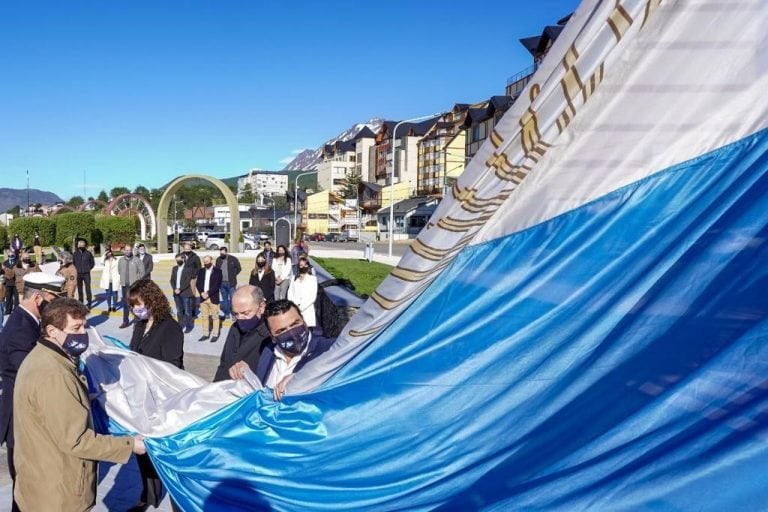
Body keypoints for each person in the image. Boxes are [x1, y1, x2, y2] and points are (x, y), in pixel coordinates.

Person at [13, 298, 145, 511]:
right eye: (76, 327)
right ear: (52, 330)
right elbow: (76, 441)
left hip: (42, 481)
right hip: (58, 494)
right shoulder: (54, 374)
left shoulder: (45, 358)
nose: (83, 333)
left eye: (85, 326)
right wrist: (130, 445)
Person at [0, 273, 66, 511]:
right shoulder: (20, 328)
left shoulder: (28, 321)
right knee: (26, 490)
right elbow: (32, 374)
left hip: (26, 417)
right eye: (53, 299)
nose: (55, 305)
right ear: (38, 298)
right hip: (21, 420)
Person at [127, 280, 183, 511]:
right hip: (141, 396)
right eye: (132, 306)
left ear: (152, 301)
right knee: (142, 448)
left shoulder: (170, 327)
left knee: (160, 450)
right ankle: (148, 494)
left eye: (139, 305)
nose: (135, 310)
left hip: (162, 397)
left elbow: (172, 366)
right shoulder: (140, 325)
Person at [231, 299, 333, 401]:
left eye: (294, 324)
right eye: (281, 330)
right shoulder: (268, 351)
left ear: (304, 321)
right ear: (273, 337)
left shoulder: (328, 349)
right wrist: (246, 374)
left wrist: (302, 376)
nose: (291, 333)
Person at [212, 285, 271, 382]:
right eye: (236, 313)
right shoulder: (234, 328)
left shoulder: (269, 337)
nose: (240, 318)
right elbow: (224, 364)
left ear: (261, 307)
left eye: (245, 313)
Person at [117, 244, 145, 328]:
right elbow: (119, 271)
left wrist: (137, 280)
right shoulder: (121, 260)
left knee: (135, 304)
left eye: (129, 250)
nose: (128, 252)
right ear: (124, 250)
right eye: (126, 250)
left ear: (131, 250)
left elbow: (142, 272)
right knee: (125, 304)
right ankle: (125, 321)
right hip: (124, 285)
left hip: (134, 286)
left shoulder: (137, 260)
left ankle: (137, 320)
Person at [287, 255, 318, 329]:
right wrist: (294, 306)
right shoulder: (294, 278)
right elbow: (290, 293)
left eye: (305, 265)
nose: (303, 266)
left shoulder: (312, 279)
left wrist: (301, 308)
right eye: (301, 265)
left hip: (307, 310)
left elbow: (312, 296)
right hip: (294, 310)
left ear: (308, 266)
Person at [196, 255, 223, 342]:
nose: (205, 263)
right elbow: (198, 283)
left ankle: (215, 334)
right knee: (204, 317)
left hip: (212, 297)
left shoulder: (218, 271)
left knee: (215, 317)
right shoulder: (201, 271)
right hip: (203, 297)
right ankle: (205, 334)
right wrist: (201, 293)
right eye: (204, 262)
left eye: (207, 261)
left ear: (211, 261)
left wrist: (208, 293)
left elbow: (217, 285)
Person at [170, 252, 196, 333]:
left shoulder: (188, 269)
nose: (178, 261)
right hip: (176, 293)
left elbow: (187, 281)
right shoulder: (174, 268)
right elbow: (172, 280)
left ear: (183, 259)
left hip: (185, 292)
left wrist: (180, 289)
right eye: (176, 260)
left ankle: (189, 326)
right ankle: (180, 325)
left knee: (187, 311)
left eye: (179, 260)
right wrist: (175, 289)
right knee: (179, 311)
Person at [215, 246, 242, 320]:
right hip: (222, 283)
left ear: (226, 252)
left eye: (223, 253)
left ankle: (233, 314)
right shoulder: (218, 260)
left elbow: (239, 268)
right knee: (225, 299)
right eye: (221, 253)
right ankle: (227, 313)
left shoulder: (233, 259)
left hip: (231, 283)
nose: (222, 254)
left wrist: (233, 275)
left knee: (233, 299)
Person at [73, 238, 95, 308]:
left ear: (85, 245)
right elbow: (73, 263)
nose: (81, 246)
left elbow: (92, 263)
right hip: (78, 274)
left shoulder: (88, 253)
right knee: (79, 289)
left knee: (88, 288)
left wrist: (88, 268)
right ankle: (81, 302)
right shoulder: (75, 254)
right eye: (80, 245)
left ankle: (89, 302)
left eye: (83, 245)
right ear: (78, 245)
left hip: (86, 274)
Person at [183, 242, 202, 318]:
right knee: (183, 295)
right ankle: (185, 310)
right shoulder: (181, 255)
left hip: (192, 279)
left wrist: (194, 275)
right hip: (183, 279)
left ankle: (193, 311)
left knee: (192, 294)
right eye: (185, 249)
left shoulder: (195, 257)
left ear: (190, 248)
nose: (187, 250)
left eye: (188, 249)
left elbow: (199, 267)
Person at [99, 248, 120, 313]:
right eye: (107, 253)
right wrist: (104, 254)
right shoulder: (105, 261)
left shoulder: (116, 260)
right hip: (107, 280)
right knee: (108, 294)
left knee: (115, 294)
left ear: (112, 253)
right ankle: (109, 306)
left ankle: (114, 306)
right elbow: (101, 261)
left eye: (109, 252)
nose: (109, 254)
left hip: (115, 280)